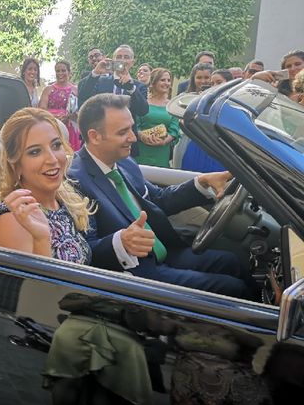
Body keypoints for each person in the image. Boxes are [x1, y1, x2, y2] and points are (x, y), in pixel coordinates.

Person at [68, 94, 249, 298]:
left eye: (132, 128)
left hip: (165, 251)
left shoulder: (125, 162)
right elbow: (84, 249)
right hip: (138, 274)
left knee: (233, 262)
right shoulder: (76, 180)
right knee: (233, 288)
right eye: (123, 132)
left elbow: (158, 199)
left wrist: (202, 181)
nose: (133, 137)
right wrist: (120, 241)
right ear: (94, 136)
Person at [0, 107, 95, 264]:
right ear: (16, 165)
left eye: (56, 145)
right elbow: (33, 288)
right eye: (35, 152)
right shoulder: (13, 219)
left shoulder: (63, 196)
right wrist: (41, 240)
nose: (52, 159)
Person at [76, 44, 149, 156]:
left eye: (126, 57)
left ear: (132, 62)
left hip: (126, 144)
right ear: (112, 60)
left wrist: (131, 88)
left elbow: (143, 111)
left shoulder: (138, 87)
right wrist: (95, 73)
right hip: (100, 140)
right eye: (119, 57)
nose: (122, 60)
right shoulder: (100, 81)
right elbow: (83, 96)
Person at [135, 68, 180, 167]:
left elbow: (174, 130)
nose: (167, 83)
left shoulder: (172, 106)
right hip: (142, 149)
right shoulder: (143, 103)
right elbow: (135, 125)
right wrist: (142, 136)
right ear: (154, 82)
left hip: (162, 152)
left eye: (168, 80)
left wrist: (164, 141)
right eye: (162, 80)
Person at [38, 60, 81, 150]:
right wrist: (55, 117)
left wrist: (71, 116)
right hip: (52, 124)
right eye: (58, 71)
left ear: (69, 72)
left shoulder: (75, 90)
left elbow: (80, 110)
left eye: (63, 70)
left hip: (70, 125)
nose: (60, 73)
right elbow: (41, 109)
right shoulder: (48, 89)